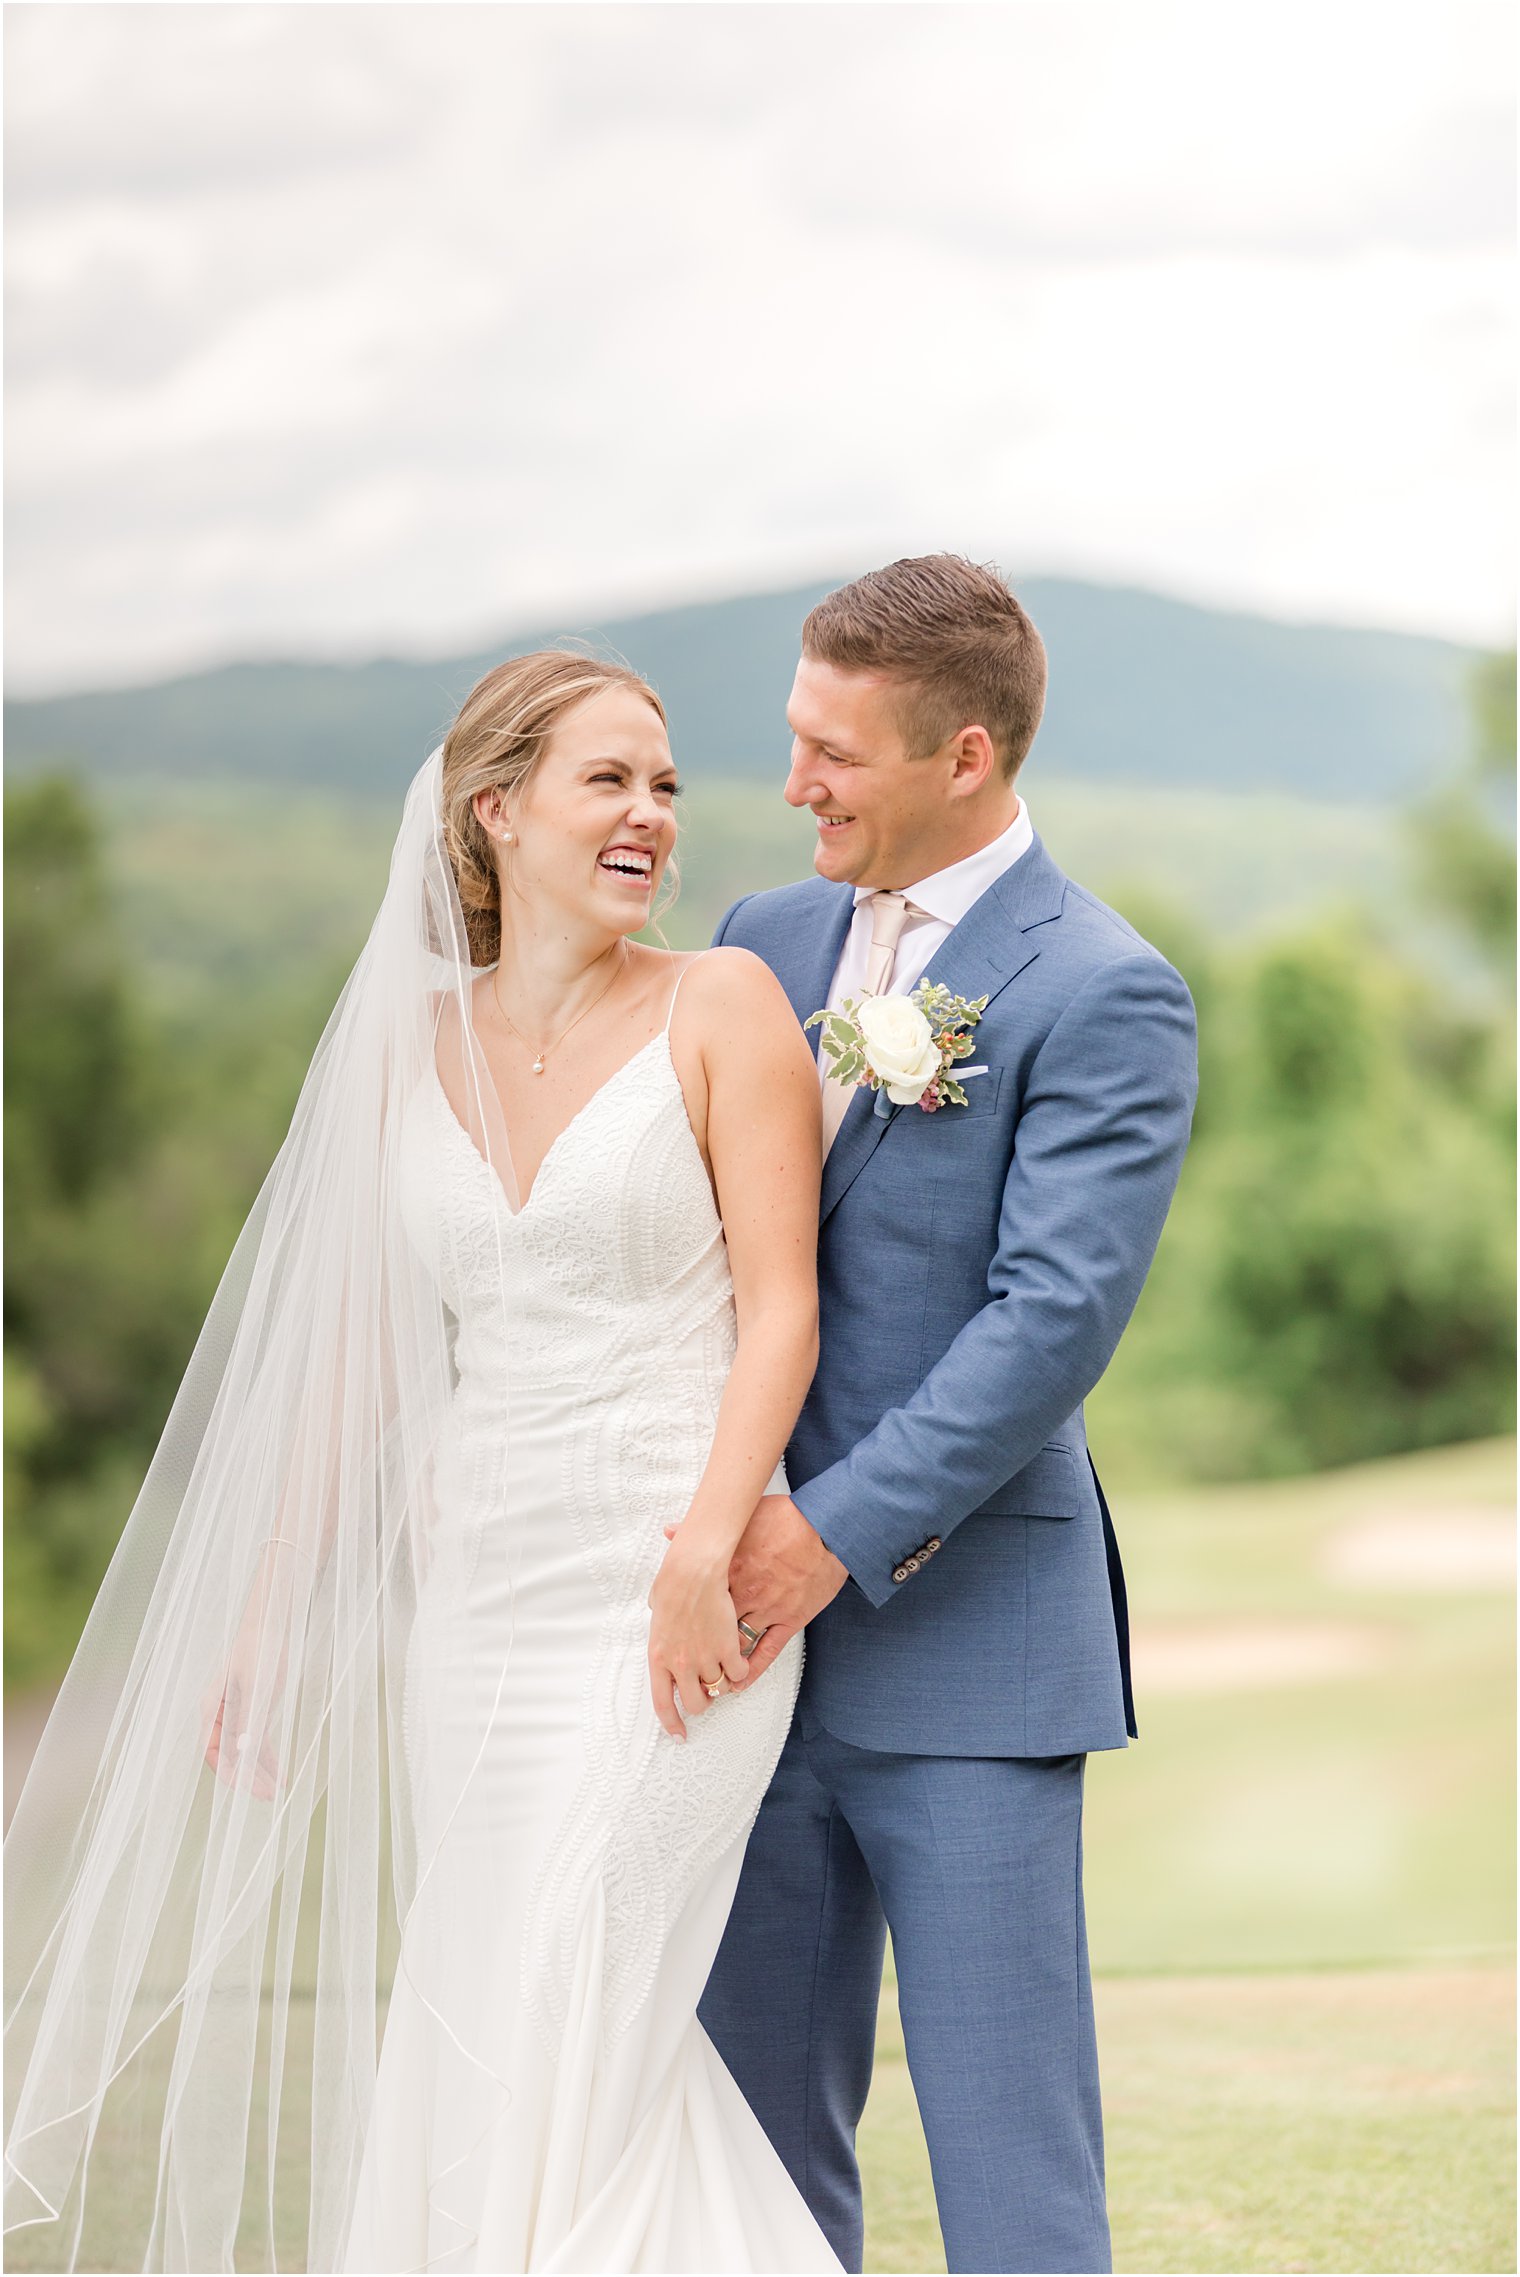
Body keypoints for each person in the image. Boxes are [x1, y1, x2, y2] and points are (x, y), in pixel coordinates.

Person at [4, 651, 839, 2274]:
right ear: (496, 812)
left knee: (580, 2010)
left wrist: (701, 1549)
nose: (650, 815)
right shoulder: (409, 1044)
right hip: (480, 1617)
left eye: (665, 785)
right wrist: (267, 1610)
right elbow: (349, 1381)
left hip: (680, 1608)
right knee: (486, 2027)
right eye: (609, 780)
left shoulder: (723, 1003)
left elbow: (783, 1309)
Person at [698, 555, 1200, 2275]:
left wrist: (816, 1538)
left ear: (963, 755)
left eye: (834, 752)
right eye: (793, 738)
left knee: (1010, 2167)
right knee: (746, 2162)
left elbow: (1049, 1325)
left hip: (967, 1645)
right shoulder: (758, 943)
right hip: (734, 1664)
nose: (793, 786)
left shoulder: (1102, 986)